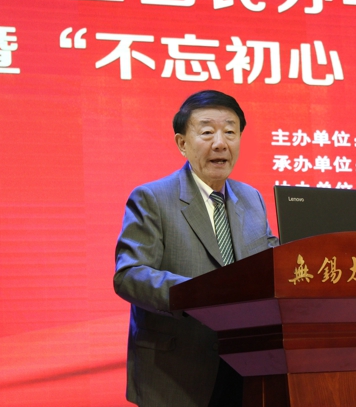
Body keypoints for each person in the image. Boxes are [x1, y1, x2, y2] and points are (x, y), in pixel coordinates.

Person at [113, 90, 279, 407]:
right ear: (182, 143)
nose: (220, 143)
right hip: (178, 370)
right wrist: (200, 294)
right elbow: (129, 275)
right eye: (207, 132)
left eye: (230, 132)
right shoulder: (152, 198)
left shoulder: (251, 198)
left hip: (247, 368)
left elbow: (271, 261)